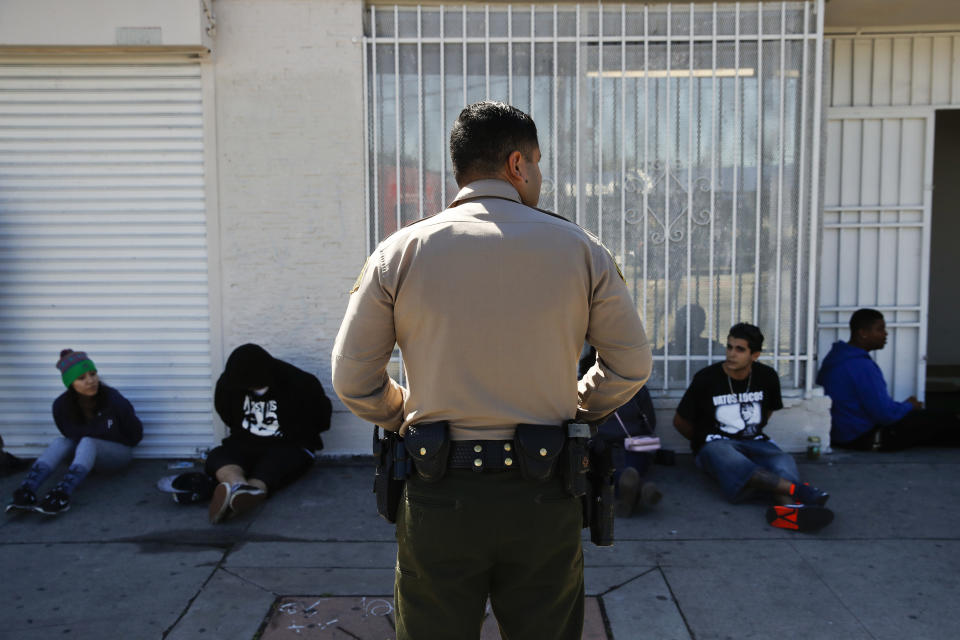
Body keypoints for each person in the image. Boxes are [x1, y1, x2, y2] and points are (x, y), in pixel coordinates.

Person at [332, 101, 652, 640]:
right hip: (543, 490)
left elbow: (353, 380)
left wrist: (402, 415)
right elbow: (630, 364)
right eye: (539, 163)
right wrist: (576, 404)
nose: (541, 177)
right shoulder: (580, 249)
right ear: (517, 164)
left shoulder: (400, 251)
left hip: (439, 492)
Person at [673, 324, 834, 532]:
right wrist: (703, 441)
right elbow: (679, 421)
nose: (731, 354)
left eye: (740, 349)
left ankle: (788, 510)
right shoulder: (707, 378)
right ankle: (800, 491)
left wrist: (750, 434)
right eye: (729, 347)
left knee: (783, 460)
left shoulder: (766, 377)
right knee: (722, 452)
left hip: (755, 442)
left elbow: (767, 413)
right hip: (719, 446)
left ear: (754, 355)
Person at [206, 343, 332, 524]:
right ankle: (236, 486)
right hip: (244, 442)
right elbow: (225, 411)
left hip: (288, 444)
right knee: (219, 456)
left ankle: (250, 491)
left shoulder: (300, 383)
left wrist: (296, 435)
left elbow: (321, 419)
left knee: (275, 466)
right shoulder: (229, 382)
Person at [6, 349, 142, 515]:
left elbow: (135, 434)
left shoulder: (112, 400)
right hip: (83, 457)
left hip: (117, 455)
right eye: (81, 378)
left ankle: (62, 494)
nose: (90, 381)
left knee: (87, 440)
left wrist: (104, 432)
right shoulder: (61, 406)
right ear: (70, 383)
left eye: (93, 374)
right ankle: (27, 490)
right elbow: (66, 434)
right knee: (60, 442)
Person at [817, 308, 960, 450]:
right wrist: (909, 405)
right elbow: (885, 415)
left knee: (934, 423)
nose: (885, 334)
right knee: (946, 421)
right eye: (880, 329)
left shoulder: (837, 357)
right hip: (864, 436)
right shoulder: (860, 365)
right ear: (863, 333)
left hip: (842, 434)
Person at [579, 345, 662, 517]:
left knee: (603, 470)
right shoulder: (635, 385)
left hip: (599, 444)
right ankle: (640, 488)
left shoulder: (584, 385)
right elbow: (650, 421)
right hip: (634, 443)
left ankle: (626, 495)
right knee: (631, 468)